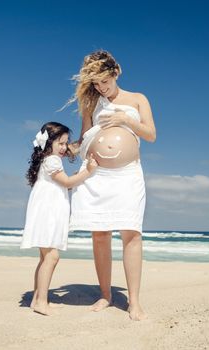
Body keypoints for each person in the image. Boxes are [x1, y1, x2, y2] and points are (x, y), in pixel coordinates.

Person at [67, 50, 156, 321]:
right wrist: (61, 150)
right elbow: (83, 138)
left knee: (132, 233)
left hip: (128, 175)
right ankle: (105, 295)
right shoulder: (92, 104)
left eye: (104, 81)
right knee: (100, 235)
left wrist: (125, 120)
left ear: (116, 73)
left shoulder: (138, 99)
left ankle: (135, 302)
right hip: (97, 177)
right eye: (96, 84)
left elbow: (151, 135)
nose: (101, 88)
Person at [21, 121, 98, 316]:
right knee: (52, 256)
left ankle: (38, 299)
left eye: (66, 143)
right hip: (48, 213)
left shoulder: (48, 160)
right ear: (49, 143)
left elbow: (63, 184)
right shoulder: (53, 160)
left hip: (46, 211)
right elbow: (66, 182)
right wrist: (87, 172)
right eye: (61, 143)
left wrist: (72, 179)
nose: (64, 148)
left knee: (45, 257)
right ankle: (41, 302)